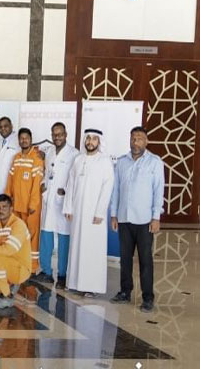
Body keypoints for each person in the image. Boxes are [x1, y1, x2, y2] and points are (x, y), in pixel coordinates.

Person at [109, 126, 164, 312]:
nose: (135, 142)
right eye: (133, 138)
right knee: (125, 259)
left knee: (145, 260)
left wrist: (156, 217)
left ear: (146, 141)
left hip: (144, 220)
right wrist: (114, 214)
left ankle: (147, 297)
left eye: (139, 138)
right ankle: (125, 292)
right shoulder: (122, 162)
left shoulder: (155, 162)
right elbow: (116, 190)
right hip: (124, 218)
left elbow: (158, 191)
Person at [61, 128, 114, 298]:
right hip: (77, 212)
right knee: (76, 247)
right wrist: (68, 207)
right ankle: (74, 283)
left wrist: (100, 212)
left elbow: (107, 188)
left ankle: (91, 287)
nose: (90, 142)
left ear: (99, 142)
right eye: (88, 138)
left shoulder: (104, 161)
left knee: (92, 249)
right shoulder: (78, 160)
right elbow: (70, 185)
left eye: (94, 139)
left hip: (94, 215)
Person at [35, 122, 79, 288]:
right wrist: (42, 185)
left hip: (64, 201)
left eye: (60, 134)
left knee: (63, 237)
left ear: (66, 135)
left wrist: (66, 191)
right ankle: (46, 272)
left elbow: (75, 179)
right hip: (49, 198)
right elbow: (46, 173)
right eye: (54, 134)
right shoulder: (49, 152)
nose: (57, 137)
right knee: (46, 234)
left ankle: (62, 275)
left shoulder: (74, 154)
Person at [5, 127, 44, 272]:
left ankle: (32, 267)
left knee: (32, 236)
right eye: (21, 138)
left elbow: (37, 183)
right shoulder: (16, 158)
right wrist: (7, 200)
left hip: (31, 207)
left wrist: (33, 204)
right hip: (16, 205)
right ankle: (18, 263)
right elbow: (10, 180)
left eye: (26, 138)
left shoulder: (36, 158)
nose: (24, 140)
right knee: (17, 235)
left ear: (31, 139)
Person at [0, 117, 18, 215]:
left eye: (5, 126)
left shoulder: (17, 141)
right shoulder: (0, 143)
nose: (3, 129)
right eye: (0, 127)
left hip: (10, 184)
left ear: (11, 126)